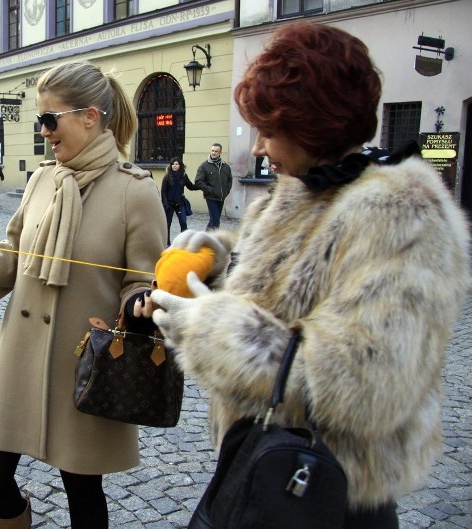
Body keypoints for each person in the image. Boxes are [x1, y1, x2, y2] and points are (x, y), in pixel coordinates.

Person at [150, 21, 470, 528]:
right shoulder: (300, 187)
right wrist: (213, 260)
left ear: (313, 125)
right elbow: (287, 274)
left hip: (328, 489)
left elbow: (368, 379)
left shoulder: (403, 214)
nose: (256, 147)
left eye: (269, 131)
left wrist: (212, 330)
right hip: (260, 461)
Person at [0, 61, 166, 528]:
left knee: (82, 488)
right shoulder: (41, 180)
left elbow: (143, 278)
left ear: (90, 116)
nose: (44, 130)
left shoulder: (136, 192)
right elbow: (13, 255)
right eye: (39, 120)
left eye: (50, 119)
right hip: (21, 354)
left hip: (85, 361)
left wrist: (139, 305)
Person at [194, 143, 231, 230]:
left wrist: (226, 191)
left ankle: (207, 238)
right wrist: (209, 190)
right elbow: (198, 181)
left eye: (216, 151)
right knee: (215, 221)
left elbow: (229, 180)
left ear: (220, 152)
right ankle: (211, 240)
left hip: (221, 197)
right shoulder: (204, 166)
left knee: (215, 220)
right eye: (212, 151)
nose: (213, 153)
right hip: (211, 197)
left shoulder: (225, 166)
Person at [160, 157, 195, 244]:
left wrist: (201, 185)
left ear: (180, 166)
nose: (174, 166)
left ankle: (184, 242)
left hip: (180, 203)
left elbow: (191, 186)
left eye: (176, 164)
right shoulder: (167, 177)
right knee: (167, 224)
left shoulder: (184, 176)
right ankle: (166, 241)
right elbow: (163, 192)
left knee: (183, 223)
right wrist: (166, 204)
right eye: (173, 164)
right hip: (169, 204)